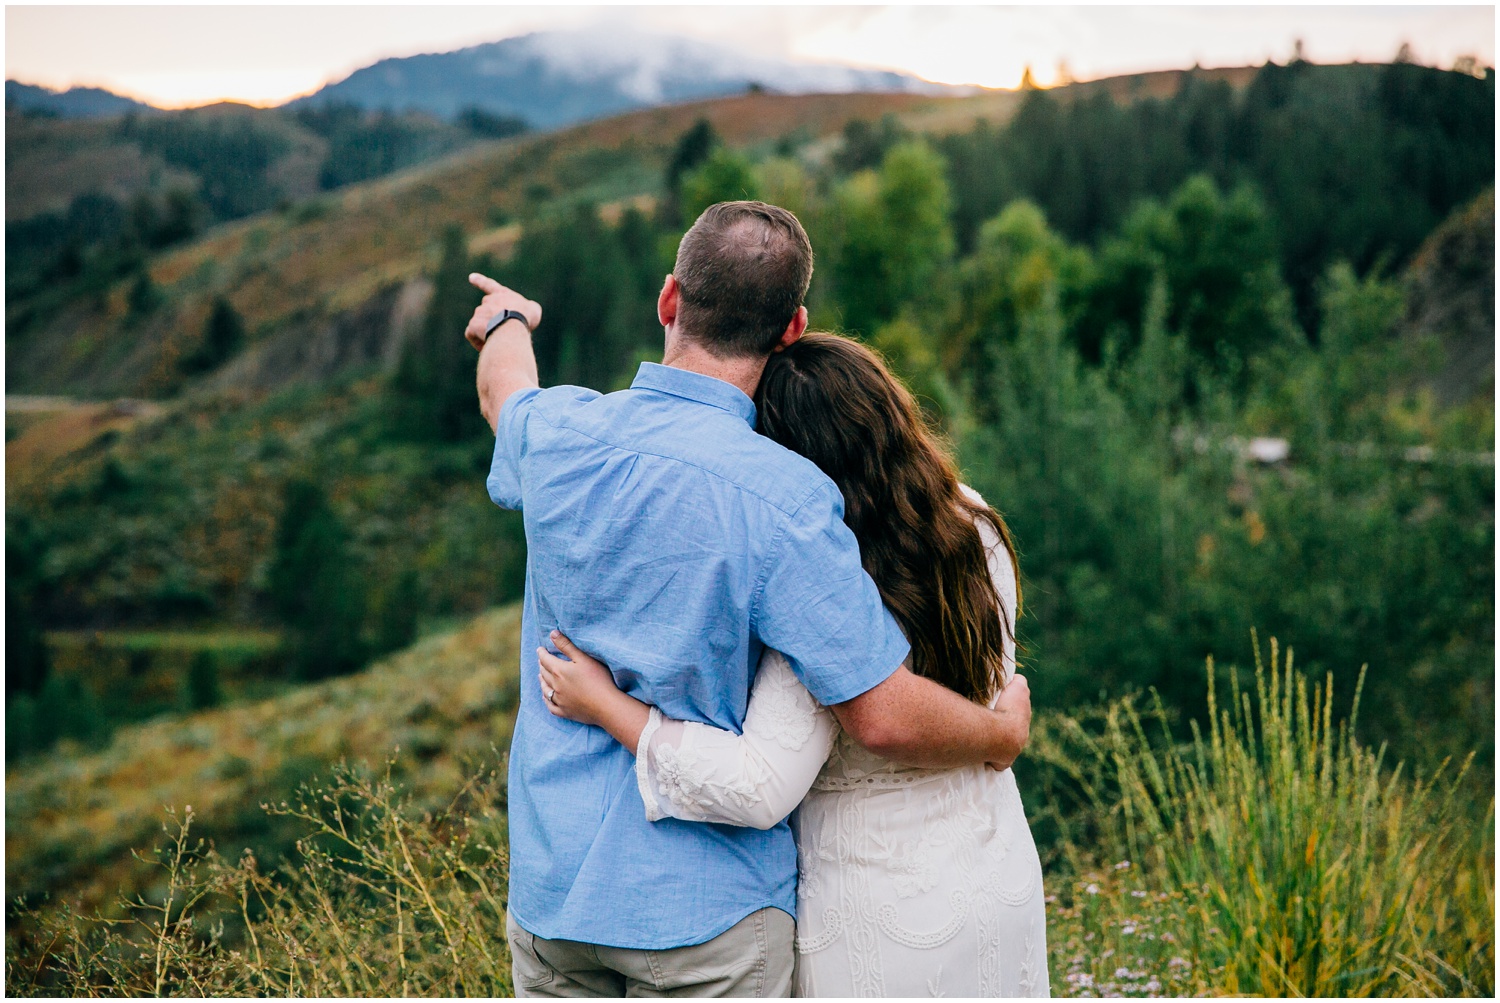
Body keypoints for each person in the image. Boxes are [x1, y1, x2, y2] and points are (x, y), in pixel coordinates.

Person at [467, 201, 1032, 997]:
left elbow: (505, 394)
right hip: (706, 914)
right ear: (793, 327)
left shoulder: (561, 430)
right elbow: (881, 712)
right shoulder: (791, 499)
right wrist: (1000, 731)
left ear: (670, 300)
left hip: (555, 897)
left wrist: (507, 321)